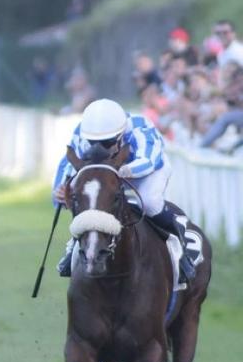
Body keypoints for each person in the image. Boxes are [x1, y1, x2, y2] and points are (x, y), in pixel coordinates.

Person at [52, 98, 196, 282]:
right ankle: (74, 247)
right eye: (94, 142)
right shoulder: (82, 131)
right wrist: (62, 189)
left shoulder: (140, 126)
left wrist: (121, 171)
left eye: (107, 142)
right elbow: (69, 165)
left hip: (145, 171)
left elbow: (150, 160)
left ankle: (180, 246)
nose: (99, 147)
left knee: (150, 202)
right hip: (109, 172)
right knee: (91, 203)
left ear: (120, 134)